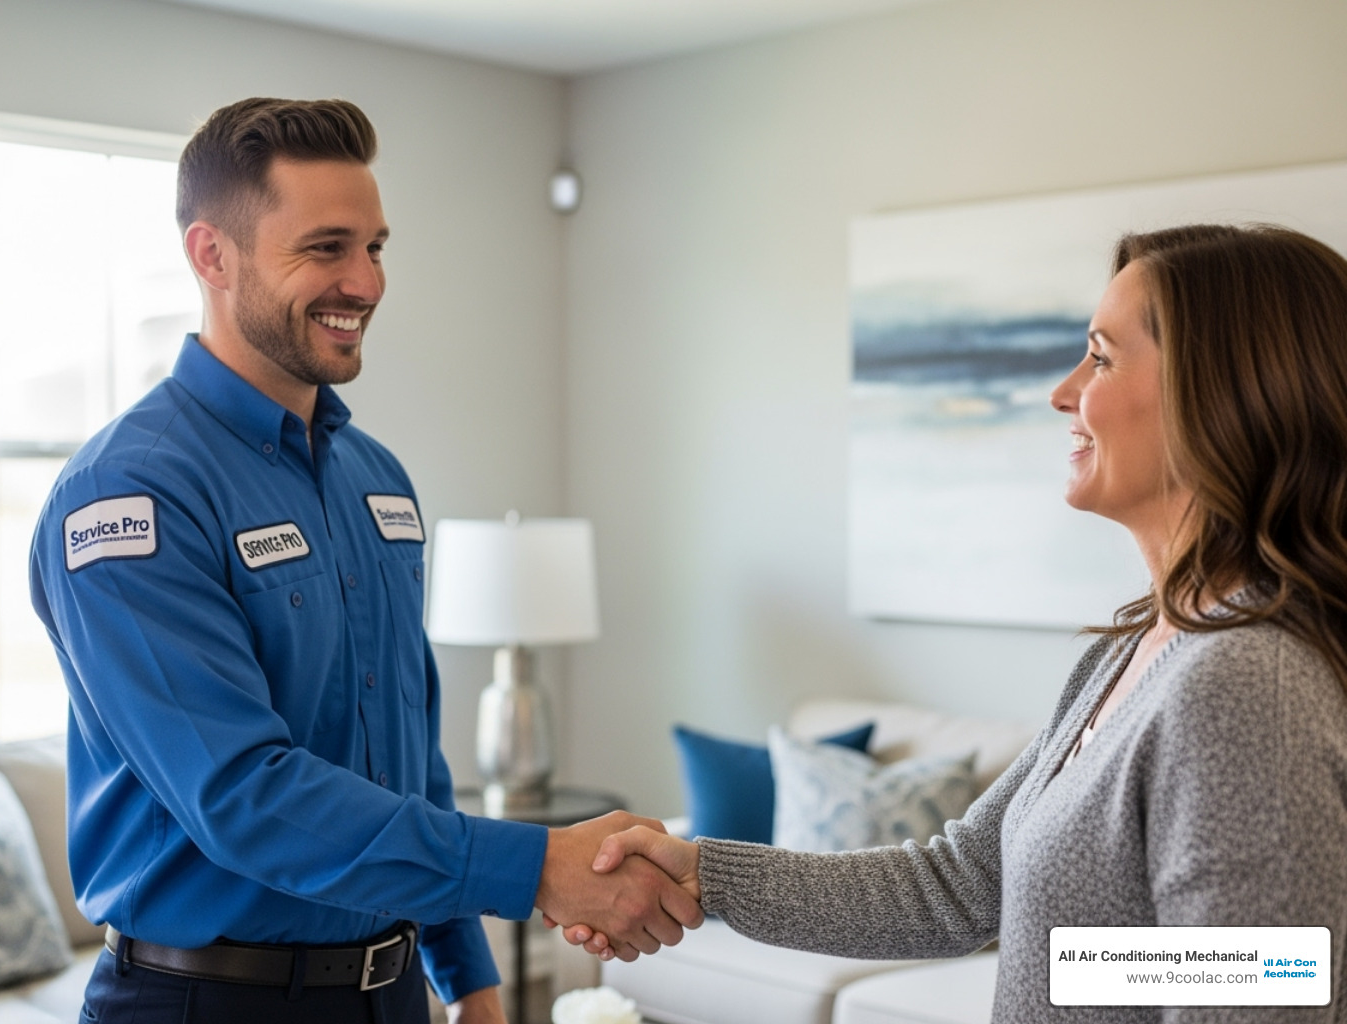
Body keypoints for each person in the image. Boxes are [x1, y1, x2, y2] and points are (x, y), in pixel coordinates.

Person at [561, 224, 1347, 1021]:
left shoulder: (1248, 683)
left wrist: (1069, 966)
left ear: (1219, 396)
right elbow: (957, 885)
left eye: (1102, 357)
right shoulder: (1130, 653)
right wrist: (704, 872)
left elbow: (1267, 982)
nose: (1063, 390)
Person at [29, 97, 701, 1024]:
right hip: (203, 1003)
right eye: (327, 248)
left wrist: (469, 976)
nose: (367, 282)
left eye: (376, 247)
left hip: (391, 996)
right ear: (210, 256)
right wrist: (536, 869)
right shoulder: (129, 498)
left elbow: (404, 762)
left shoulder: (375, 481)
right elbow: (244, 794)